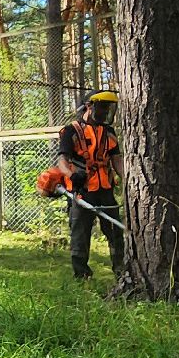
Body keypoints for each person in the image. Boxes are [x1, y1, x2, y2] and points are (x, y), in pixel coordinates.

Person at [55, 89, 123, 279]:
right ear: (89, 106)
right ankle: (82, 276)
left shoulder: (109, 132)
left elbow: (116, 159)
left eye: (108, 108)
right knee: (80, 235)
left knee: (115, 232)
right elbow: (62, 160)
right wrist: (71, 175)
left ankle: (121, 272)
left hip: (105, 190)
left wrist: (128, 178)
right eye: (102, 107)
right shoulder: (71, 131)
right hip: (81, 191)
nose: (105, 112)